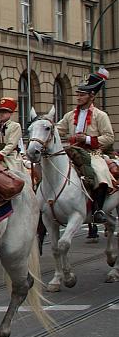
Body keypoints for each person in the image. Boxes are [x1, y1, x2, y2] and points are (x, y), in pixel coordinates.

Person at [56, 67, 114, 223]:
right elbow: (57, 130)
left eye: (82, 95)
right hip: (71, 152)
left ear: (92, 96)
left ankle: (98, 210)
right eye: (78, 94)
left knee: (100, 173)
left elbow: (109, 137)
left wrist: (87, 139)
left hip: (93, 153)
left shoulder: (100, 115)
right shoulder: (69, 116)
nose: (78, 97)